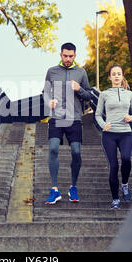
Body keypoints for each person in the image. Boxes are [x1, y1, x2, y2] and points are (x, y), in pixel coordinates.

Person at [42, 42, 92, 204]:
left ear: (75, 56)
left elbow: (89, 96)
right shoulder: (52, 72)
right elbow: (45, 93)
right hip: (56, 118)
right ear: (60, 55)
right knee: (54, 148)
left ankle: (73, 187)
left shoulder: (81, 72)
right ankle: (54, 189)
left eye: (71, 56)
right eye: (65, 56)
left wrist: (79, 89)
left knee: (76, 152)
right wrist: (49, 101)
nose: (68, 59)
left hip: (74, 118)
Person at [95, 64, 132, 209]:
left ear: (122, 76)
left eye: (118, 73)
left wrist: (130, 118)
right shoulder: (104, 94)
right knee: (113, 165)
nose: (116, 76)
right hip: (109, 135)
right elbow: (97, 114)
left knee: (126, 159)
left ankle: (125, 185)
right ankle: (115, 199)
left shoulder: (129, 94)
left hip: (125, 133)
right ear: (110, 77)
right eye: (113, 74)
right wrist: (103, 125)